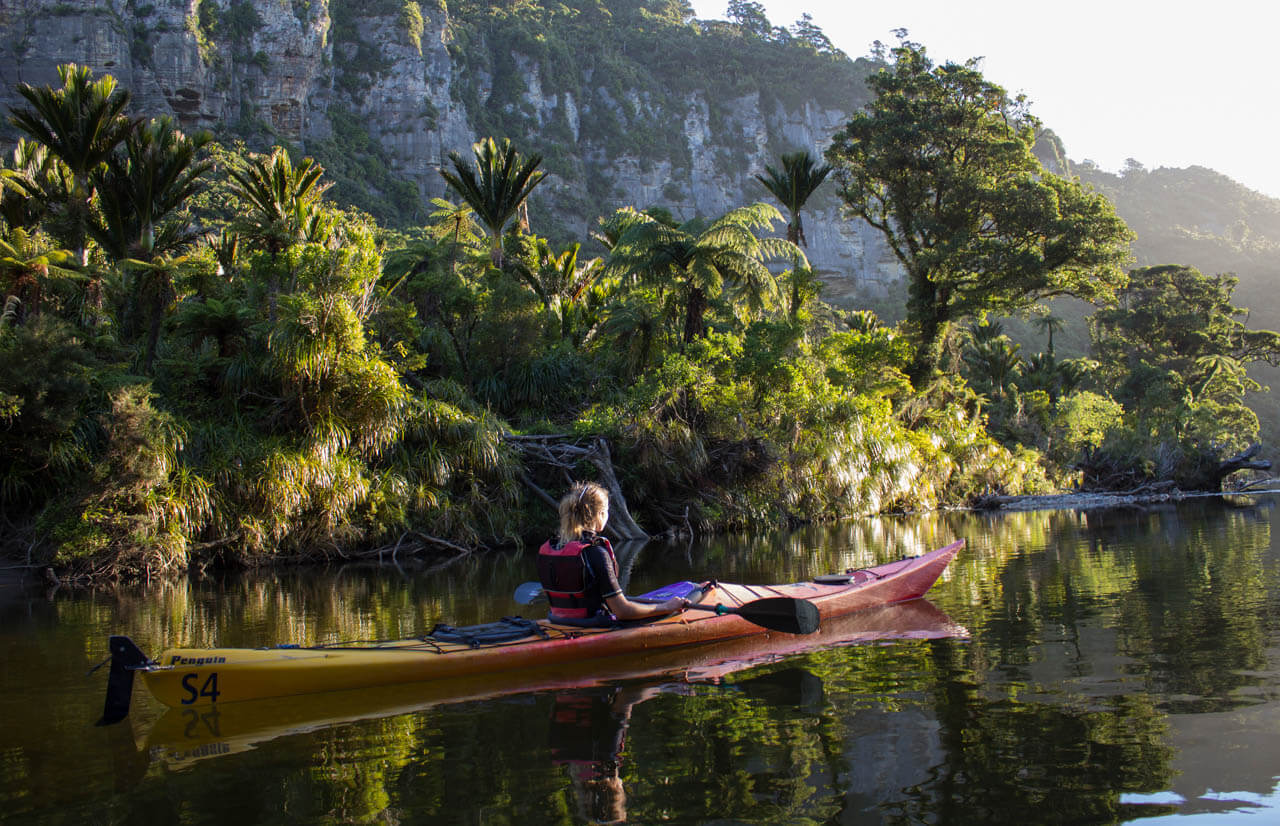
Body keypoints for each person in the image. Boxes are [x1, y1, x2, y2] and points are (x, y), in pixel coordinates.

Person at [538, 481, 690, 624]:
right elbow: (622, 611)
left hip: (558, 622)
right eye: (606, 512)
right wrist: (667, 607)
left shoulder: (549, 549)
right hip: (592, 625)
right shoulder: (595, 552)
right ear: (600, 515)